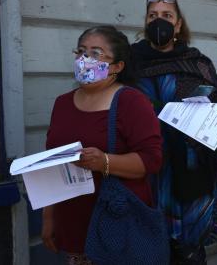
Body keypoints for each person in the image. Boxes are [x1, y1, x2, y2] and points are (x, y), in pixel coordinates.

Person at [42, 26, 163, 264]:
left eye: (96, 53)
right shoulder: (63, 103)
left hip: (118, 224)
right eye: (81, 52)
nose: (85, 59)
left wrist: (104, 161)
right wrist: (49, 218)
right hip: (73, 223)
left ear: (117, 66)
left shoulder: (131, 101)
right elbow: (52, 160)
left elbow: (152, 160)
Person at [131, 0, 217, 263]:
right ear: (145, 21)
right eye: (152, 15)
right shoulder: (128, 63)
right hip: (143, 167)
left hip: (189, 167)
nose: (159, 21)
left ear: (178, 23)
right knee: (148, 247)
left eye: (166, 15)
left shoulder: (197, 63)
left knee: (190, 251)